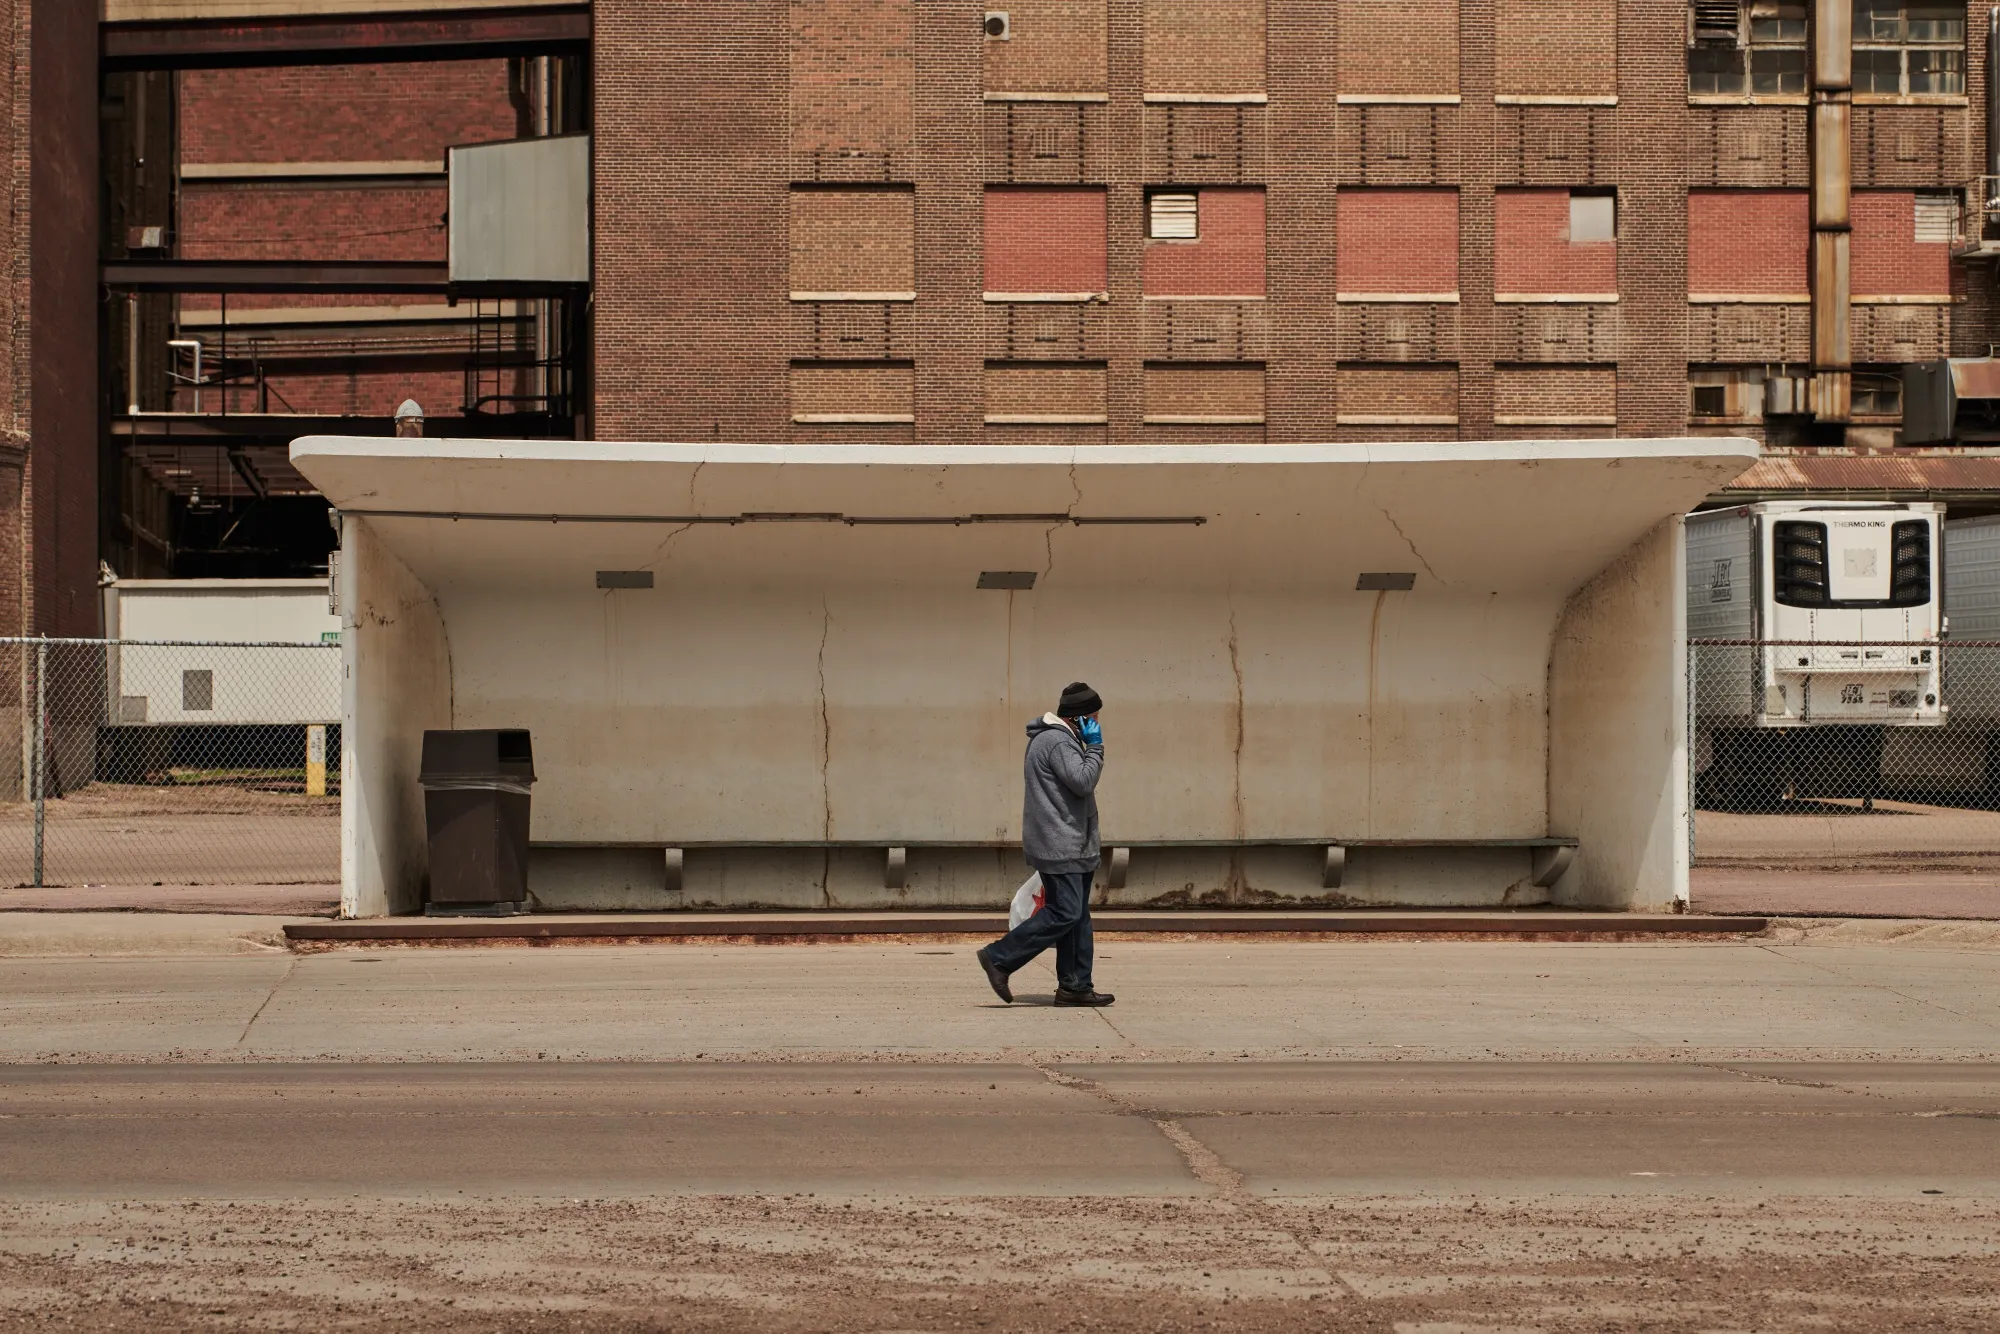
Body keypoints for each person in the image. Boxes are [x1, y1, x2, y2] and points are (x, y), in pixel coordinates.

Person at [977, 682, 1115, 1007]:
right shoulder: (1057, 742)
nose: (1097, 723)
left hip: (1071, 844)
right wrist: (1096, 747)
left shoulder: (1057, 739)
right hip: (1061, 844)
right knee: (1065, 912)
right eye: (1093, 717)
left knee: (1077, 916)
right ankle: (999, 957)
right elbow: (1083, 781)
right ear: (1079, 718)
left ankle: (1075, 986)